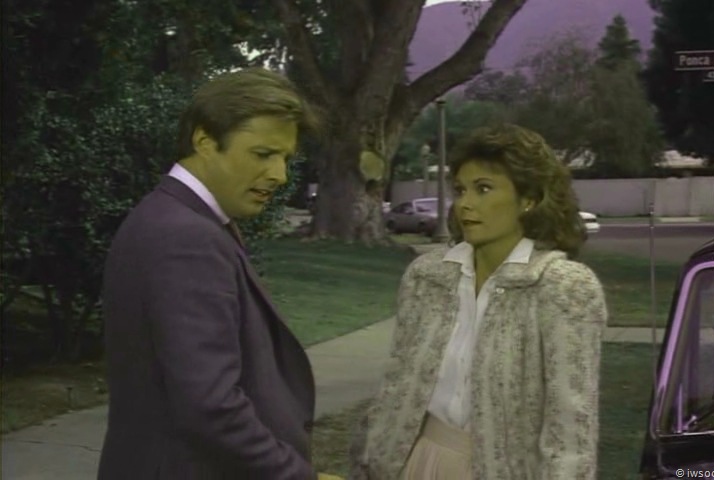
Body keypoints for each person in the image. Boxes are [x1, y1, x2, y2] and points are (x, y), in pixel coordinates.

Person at [99, 68, 342, 480]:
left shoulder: (179, 220)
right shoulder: (185, 236)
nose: (280, 175)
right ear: (205, 142)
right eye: (263, 154)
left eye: (285, 158)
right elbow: (210, 405)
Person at [348, 124, 608, 479]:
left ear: (529, 199)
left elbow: (571, 430)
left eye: (483, 189)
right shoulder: (428, 277)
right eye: (460, 190)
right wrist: (369, 461)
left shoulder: (563, 287)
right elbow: (395, 387)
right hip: (416, 462)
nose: (465, 204)